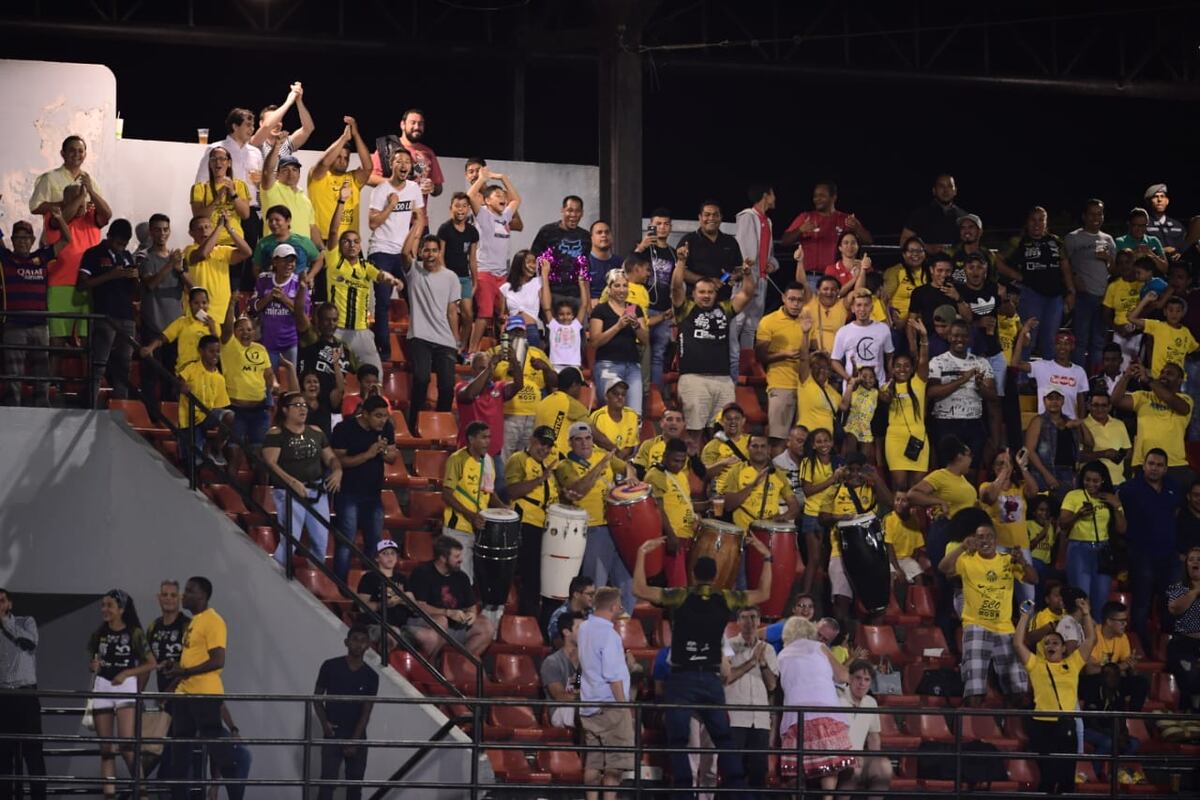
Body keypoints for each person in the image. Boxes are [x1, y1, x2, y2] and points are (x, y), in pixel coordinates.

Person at [633, 535, 774, 799]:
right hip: (710, 679)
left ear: (693, 575)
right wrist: (766, 557)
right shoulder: (726, 599)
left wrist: (642, 552)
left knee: (678, 742)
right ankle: (739, 795)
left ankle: (685, 795)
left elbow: (639, 589)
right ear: (715, 576)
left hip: (682, 679)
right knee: (724, 741)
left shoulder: (679, 596)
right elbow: (764, 593)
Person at [940, 523, 1036, 707]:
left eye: (989, 536)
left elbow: (1033, 579)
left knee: (1018, 688)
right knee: (975, 689)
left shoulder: (1007, 560)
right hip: (976, 626)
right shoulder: (967, 559)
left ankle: (1010, 731)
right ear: (975, 540)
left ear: (996, 540)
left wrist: (1023, 562)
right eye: (980, 537)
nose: (985, 541)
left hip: (1005, 628)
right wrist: (961, 547)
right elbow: (944, 568)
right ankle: (970, 732)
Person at [163, 577, 239, 800]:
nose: (183, 595)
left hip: (205, 694)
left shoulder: (213, 621)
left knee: (219, 753)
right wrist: (175, 674)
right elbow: (190, 660)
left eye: (189, 591)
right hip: (185, 694)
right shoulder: (194, 622)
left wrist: (183, 672)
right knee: (180, 756)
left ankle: (237, 792)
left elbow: (218, 660)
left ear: (202, 596)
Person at [1013, 598, 1096, 794]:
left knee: (1067, 779)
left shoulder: (1073, 664)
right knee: (1048, 778)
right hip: (1041, 725)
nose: (1051, 645)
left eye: (1055, 643)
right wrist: (1025, 615)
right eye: (1047, 643)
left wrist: (1086, 614)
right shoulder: (1036, 665)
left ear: (1063, 648)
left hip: (1065, 724)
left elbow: (1091, 640)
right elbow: (1017, 644)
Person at [555, 422, 637, 614]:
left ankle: (623, 627)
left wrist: (630, 476)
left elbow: (627, 467)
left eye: (588, 438)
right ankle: (591, 623)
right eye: (579, 440)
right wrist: (600, 465)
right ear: (570, 443)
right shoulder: (566, 465)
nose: (585, 443)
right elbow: (578, 490)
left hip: (616, 526)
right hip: (592, 528)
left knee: (627, 582)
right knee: (596, 583)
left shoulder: (603, 455)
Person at [776, 616, 855, 797]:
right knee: (829, 767)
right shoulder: (819, 647)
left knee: (797, 770)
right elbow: (843, 676)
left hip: (795, 716)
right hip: (824, 711)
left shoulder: (782, 654)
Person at [262, 391, 342, 566]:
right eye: (296, 405)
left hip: (317, 491)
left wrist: (337, 471)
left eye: (304, 405)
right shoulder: (276, 433)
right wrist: (291, 482)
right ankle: (276, 577)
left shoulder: (316, 431)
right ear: (285, 409)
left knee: (321, 542)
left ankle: (311, 582)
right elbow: (270, 463)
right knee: (291, 540)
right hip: (289, 492)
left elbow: (331, 458)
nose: (302, 408)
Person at [0, 213, 71, 407]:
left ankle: (42, 405)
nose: (22, 242)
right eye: (18, 238)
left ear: (32, 240)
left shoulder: (42, 256)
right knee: (13, 374)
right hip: (14, 325)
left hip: (40, 325)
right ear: (12, 240)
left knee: (42, 370)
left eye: (26, 238)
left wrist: (60, 217)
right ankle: (13, 407)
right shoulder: (5, 258)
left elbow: (67, 240)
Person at [323, 205, 404, 373]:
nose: (351, 245)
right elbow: (332, 232)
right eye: (346, 241)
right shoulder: (334, 264)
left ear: (360, 246)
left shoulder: (366, 267)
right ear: (340, 245)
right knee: (333, 374)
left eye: (356, 242)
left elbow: (381, 275)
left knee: (375, 373)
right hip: (337, 330)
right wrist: (340, 202)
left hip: (361, 331)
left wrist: (393, 280)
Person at [817, 452, 893, 622]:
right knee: (841, 598)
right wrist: (838, 518)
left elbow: (890, 502)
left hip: (871, 549)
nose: (854, 474)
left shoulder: (871, 487)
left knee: (878, 603)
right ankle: (843, 640)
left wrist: (877, 479)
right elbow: (822, 518)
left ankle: (872, 639)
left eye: (859, 470)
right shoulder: (834, 489)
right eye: (850, 470)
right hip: (840, 550)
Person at [1117, 448, 1181, 644]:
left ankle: (1168, 644)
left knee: (1171, 601)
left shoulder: (1173, 487)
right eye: (1151, 464)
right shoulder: (1129, 488)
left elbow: (1176, 512)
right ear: (1143, 465)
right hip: (1141, 553)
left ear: (1165, 469)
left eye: (1159, 465)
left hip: (1168, 555)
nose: (1154, 468)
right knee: (1142, 601)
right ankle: (1139, 644)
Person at [330, 396, 397, 580]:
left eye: (385, 416)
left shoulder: (386, 428)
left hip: (373, 495)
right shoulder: (345, 429)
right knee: (346, 543)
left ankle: (369, 586)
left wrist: (382, 451)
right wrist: (368, 454)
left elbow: (392, 457)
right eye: (378, 416)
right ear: (365, 414)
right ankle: (339, 586)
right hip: (348, 494)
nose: (382, 420)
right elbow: (338, 461)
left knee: (374, 543)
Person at [575, 587, 634, 799]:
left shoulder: (583, 628)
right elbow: (613, 676)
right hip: (610, 707)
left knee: (593, 761)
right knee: (614, 766)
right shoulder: (610, 636)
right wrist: (624, 708)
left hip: (589, 705)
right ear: (615, 606)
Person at [367, 148, 426, 353]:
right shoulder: (381, 189)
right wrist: (391, 206)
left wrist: (413, 247)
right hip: (381, 251)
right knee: (382, 303)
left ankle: (417, 346)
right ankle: (383, 349)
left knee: (414, 300)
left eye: (407, 162)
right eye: (399, 161)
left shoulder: (414, 188)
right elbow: (373, 224)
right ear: (391, 164)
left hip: (403, 254)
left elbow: (420, 218)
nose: (403, 166)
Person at [403, 236, 461, 433]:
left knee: (447, 386)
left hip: (445, 339)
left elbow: (452, 311)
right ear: (420, 252)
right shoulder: (414, 271)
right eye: (426, 250)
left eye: (434, 250)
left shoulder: (451, 277)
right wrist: (417, 223)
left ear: (440, 253)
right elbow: (404, 253)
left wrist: (456, 339)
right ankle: (415, 425)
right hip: (419, 336)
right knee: (421, 378)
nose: (430, 255)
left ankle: (441, 424)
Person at [314, 625, 378, 800]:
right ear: (346, 642)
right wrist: (324, 724)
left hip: (357, 735)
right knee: (327, 786)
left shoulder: (371, 676)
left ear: (368, 646)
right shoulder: (330, 666)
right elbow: (317, 698)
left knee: (355, 788)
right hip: (333, 733)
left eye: (363, 641)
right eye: (355, 639)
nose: (358, 644)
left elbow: (367, 710)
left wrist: (355, 740)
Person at [77, 218, 138, 403]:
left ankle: (121, 405)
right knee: (99, 364)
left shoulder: (127, 255)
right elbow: (82, 284)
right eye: (118, 243)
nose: (121, 247)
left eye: (124, 244)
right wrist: (110, 275)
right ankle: (91, 404)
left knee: (124, 364)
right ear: (109, 236)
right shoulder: (93, 253)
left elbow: (135, 291)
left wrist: (135, 277)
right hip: (105, 315)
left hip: (127, 316)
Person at [503, 423, 561, 619]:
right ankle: (519, 618)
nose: (544, 449)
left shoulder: (548, 464)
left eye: (548, 446)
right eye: (541, 443)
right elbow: (511, 491)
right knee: (528, 575)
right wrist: (540, 479)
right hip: (525, 522)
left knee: (537, 577)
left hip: (544, 526)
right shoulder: (519, 459)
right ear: (531, 440)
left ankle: (533, 619)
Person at [1003, 206, 1076, 361]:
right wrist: (1017, 276)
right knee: (1028, 337)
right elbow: (997, 260)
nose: (1037, 224)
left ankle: (1050, 381)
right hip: (1031, 295)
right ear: (1027, 222)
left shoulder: (1056, 241)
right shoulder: (1019, 241)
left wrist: (1070, 291)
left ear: (1046, 222)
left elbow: (1065, 265)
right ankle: (1020, 380)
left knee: (1050, 341)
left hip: (1055, 297)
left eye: (1041, 220)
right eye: (1033, 220)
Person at [440, 421, 508, 583]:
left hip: (479, 529)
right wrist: (470, 515)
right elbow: (447, 494)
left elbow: (489, 493)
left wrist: (504, 509)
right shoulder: (457, 459)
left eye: (489, 437)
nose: (488, 441)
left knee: (475, 577)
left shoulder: (489, 461)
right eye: (483, 437)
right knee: (461, 578)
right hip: (458, 528)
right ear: (471, 439)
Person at [406, 536, 494, 658]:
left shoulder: (461, 577)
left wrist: (471, 615)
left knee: (486, 626)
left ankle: (459, 663)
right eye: (456, 556)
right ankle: (433, 668)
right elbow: (419, 607)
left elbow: (471, 606)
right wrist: (447, 613)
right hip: (426, 622)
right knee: (442, 621)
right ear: (442, 558)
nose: (461, 560)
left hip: (455, 626)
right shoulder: (422, 573)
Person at [466, 169, 524, 351]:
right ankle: (472, 351)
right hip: (485, 272)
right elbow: (470, 195)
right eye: (497, 195)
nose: (502, 197)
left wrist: (503, 178)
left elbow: (516, 200)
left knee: (502, 315)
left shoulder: (505, 216)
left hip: (502, 275)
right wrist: (483, 178)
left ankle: (503, 352)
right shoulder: (484, 215)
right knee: (484, 314)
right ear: (487, 200)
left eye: (502, 195)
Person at [927, 319, 997, 467]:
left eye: (964, 336)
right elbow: (932, 392)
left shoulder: (982, 363)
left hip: (973, 423)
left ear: (970, 339)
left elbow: (993, 396)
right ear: (948, 337)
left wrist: (980, 386)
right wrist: (962, 380)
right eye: (955, 335)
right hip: (945, 423)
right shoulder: (937, 362)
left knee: (971, 471)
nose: (960, 339)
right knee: (946, 471)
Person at [1111, 361, 1194, 486]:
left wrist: (1148, 380)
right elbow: (1116, 400)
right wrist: (1126, 376)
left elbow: (1174, 402)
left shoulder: (1185, 399)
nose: (1164, 376)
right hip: (1144, 464)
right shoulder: (1144, 396)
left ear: (1180, 380)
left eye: (1170, 374)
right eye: (1162, 373)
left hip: (1174, 464)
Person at [135, 214, 187, 412]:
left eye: (165, 229)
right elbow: (150, 284)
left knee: (172, 376)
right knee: (150, 375)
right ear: (151, 232)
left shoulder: (178, 259)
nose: (162, 233)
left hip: (175, 329)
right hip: (153, 326)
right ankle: (149, 416)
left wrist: (180, 269)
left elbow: (192, 288)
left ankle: (170, 416)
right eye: (157, 229)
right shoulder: (145, 257)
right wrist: (169, 265)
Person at [723, 605, 778, 791]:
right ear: (738, 622)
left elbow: (772, 685)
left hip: (760, 720)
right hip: (736, 718)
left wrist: (762, 663)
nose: (749, 622)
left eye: (753, 617)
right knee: (733, 772)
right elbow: (728, 676)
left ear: (759, 621)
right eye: (744, 618)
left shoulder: (767, 649)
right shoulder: (728, 646)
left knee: (758, 772)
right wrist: (752, 661)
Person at [782, 180, 873, 290]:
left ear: (833, 197)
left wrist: (857, 228)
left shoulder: (845, 219)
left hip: (836, 278)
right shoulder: (806, 217)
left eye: (822, 196)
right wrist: (800, 230)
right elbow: (785, 241)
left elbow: (868, 240)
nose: (817, 199)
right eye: (815, 196)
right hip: (810, 278)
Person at [0, 588, 45, 800]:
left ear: (9, 604)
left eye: (1, 601)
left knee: (33, 753)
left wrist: (5, 622)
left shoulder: (26, 621)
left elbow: (30, 642)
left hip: (26, 696)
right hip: (3, 697)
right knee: (3, 756)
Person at [979, 449, 1040, 605]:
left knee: (1028, 598)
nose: (1003, 466)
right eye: (999, 463)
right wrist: (1003, 473)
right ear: (993, 467)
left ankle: (1025, 628)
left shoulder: (1019, 487)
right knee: (997, 594)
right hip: (998, 548)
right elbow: (989, 498)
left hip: (1021, 548)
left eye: (1007, 463)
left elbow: (1034, 492)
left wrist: (1022, 467)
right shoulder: (986, 486)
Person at [754, 281, 808, 450]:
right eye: (791, 299)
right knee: (778, 439)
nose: (795, 304)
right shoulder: (769, 321)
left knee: (803, 443)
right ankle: (775, 475)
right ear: (783, 298)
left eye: (799, 300)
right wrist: (784, 354)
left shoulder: (807, 320)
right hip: (780, 385)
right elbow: (760, 356)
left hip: (805, 387)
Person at [1065, 199, 1118, 369]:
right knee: (1080, 341)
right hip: (1083, 296)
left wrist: (1108, 258)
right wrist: (1073, 280)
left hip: (1104, 297)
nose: (1096, 217)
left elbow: (1116, 270)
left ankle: (1096, 379)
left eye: (1099, 213)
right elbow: (1063, 264)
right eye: (1092, 214)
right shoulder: (1073, 238)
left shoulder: (1108, 239)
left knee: (1098, 341)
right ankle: (1078, 379)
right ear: (1084, 216)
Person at [590, 268, 649, 415]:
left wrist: (636, 325)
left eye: (625, 285)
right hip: (608, 365)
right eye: (617, 286)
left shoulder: (634, 309)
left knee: (635, 414)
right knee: (612, 412)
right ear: (609, 288)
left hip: (632, 366)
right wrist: (618, 326)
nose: (622, 290)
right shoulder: (600, 310)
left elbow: (646, 340)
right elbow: (595, 342)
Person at [880, 319, 930, 489]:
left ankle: (914, 517)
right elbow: (884, 399)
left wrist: (923, 337)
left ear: (912, 368)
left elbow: (923, 360)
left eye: (906, 366)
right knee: (900, 486)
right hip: (895, 439)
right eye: (898, 366)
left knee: (916, 488)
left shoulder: (919, 381)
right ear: (892, 368)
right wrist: (887, 394)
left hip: (918, 439)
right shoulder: (887, 386)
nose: (902, 369)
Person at [308, 116, 373, 239]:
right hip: (323, 240)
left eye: (346, 158)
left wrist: (356, 135)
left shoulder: (353, 178)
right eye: (338, 156)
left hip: (349, 242)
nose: (343, 161)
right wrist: (343, 139)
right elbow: (324, 163)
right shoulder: (318, 175)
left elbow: (368, 168)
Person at [634, 208, 678, 391]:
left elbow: (676, 284)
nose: (662, 227)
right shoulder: (644, 249)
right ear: (651, 226)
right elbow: (629, 268)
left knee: (658, 354)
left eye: (666, 224)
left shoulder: (673, 253)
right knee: (640, 352)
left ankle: (656, 396)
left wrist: (675, 310)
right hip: (643, 308)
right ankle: (640, 392)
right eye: (658, 224)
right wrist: (641, 247)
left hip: (664, 311)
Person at [644, 438, 697, 587]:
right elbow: (657, 509)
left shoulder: (681, 475)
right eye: (675, 461)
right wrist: (671, 536)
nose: (679, 465)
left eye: (682, 461)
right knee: (677, 586)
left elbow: (682, 502)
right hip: (672, 537)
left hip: (687, 535)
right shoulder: (655, 475)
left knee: (686, 586)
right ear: (665, 456)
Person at [837, 659, 893, 800]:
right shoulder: (836, 697)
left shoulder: (871, 702)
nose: (862, 683)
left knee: (884, 766)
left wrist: (875, 759)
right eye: (858, 678)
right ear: (850, 678)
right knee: (853, 769)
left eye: (867, 679)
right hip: (837, 757)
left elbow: (874, 737)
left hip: (858, 758)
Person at [184, 212, 252, 325]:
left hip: (223, 315)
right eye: (199, 228)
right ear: (191, 233)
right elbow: (203, 254)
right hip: (199, 314)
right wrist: (219, 227)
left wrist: (229, 229)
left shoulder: (222, 250)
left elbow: (247, 252)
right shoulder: (189, 250)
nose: (204, 231)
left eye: (207, 227)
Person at [1024, 387, 1091, 494]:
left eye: (1057, 398)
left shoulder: (1069, 422)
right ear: (1044, 400)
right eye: (1050, 398)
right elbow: (1030, 451)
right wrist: (1046, 474)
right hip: (1045, 471)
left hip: (1069, 473)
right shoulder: (1038, 421)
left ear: (1063, 400)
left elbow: (1089, 443)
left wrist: (1081, 423)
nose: (1054, 402)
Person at [437, 192, 479, 344]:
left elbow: (472, 258)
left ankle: (462, 346)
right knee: (451, 312)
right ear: (451, 208)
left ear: (468, 209)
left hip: (464, 278)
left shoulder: (472, 232)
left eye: (464, 206)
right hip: (448, 277)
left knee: (468, 314)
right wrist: (445, 276)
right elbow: (440, 255)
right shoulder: (445, 229)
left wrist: (475, 281)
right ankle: (453, 343)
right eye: (457, 206)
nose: (460, 209)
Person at [262, 139, 321, 246]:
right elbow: (267, 171)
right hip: (276, 252)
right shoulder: (271, 189)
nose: (291, 173)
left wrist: (321, 249)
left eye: (294, 170)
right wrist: (276, 146)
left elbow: (312, 227)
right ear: (278, 174)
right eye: (285, 170)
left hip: (302, 255)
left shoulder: (305, 199)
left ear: (299, 174)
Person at [1128, 292, 1200, 379]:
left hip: (1177, 381)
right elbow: (1132, 318)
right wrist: (1146, 299)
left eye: (1178, 311)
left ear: (1182, 313)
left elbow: (1196, 348)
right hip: (1159, 378)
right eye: (1171, 310)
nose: (1174, 314)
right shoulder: (1157, 326)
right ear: (1165, 312)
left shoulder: (1186, 332)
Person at [190, 146, 251, 247]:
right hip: (208, 241)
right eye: (213, 159)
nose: (218, 162)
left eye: (222, 159)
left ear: (229, 163)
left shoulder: (240, 185)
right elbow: (198, 218)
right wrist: (217, 199)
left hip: (234, 240)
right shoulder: (200, 188)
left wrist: (232, 192)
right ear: (209, 164)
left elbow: (245, 214)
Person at [1166, 548, 1200, 711]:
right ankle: (1188, 713)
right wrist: (1195, 592)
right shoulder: (1178, 587)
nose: (1195, 562)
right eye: (1191, 559)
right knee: (1190, 678)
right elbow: (1175, 608)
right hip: (1183, 644)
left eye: (1199, 559)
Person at [533, 366, 590, 457]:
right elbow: (593, 433)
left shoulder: (544, 401)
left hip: (538, 457)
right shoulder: (571, 403)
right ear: (574, 385)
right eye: (580, 386)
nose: (580, 391)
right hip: (560, 460)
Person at [900, 173, 968, 248]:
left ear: (955, 191)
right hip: (928, 259)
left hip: (957, 260)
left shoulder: (964, 216)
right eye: (941, 186)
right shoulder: (919, 215)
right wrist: (927, 248)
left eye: (950, 186)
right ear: (934, 191)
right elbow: (904, 241)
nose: (946, 190)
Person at [541, 610, 583, 729]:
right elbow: (560, 696)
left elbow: (576, 685)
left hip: (583, 705)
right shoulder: (552, 662)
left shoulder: (586, 660)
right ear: (566, 632)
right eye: (580, 628)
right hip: (561, 709)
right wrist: (587, 697)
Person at [1113, 207, 1167, 272]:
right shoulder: (1119, 242)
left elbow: (1165, 269)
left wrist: (1150, 254)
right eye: (1136, 225)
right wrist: (1134, 254)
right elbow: (1115, 270)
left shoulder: (1154, 240)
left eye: (1143, 225)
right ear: (1129, 224)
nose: (1140, 229)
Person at [547, 576, 596, 646]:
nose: (593, 597)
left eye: (594, 593)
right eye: (590, 594)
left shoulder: (593, 611)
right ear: (576, 594)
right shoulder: (559, 615)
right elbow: (556, 642)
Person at [1144, 183, 1187, 254]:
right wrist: (1161, 251)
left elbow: (1187, 246)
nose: (1159, 200)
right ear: (1148, 202)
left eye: (1162, 196)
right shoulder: (1144, 224)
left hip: (1178, 264)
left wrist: (1180, 253)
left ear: (1167, 201)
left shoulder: (1178, 225)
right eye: (1155, 196)